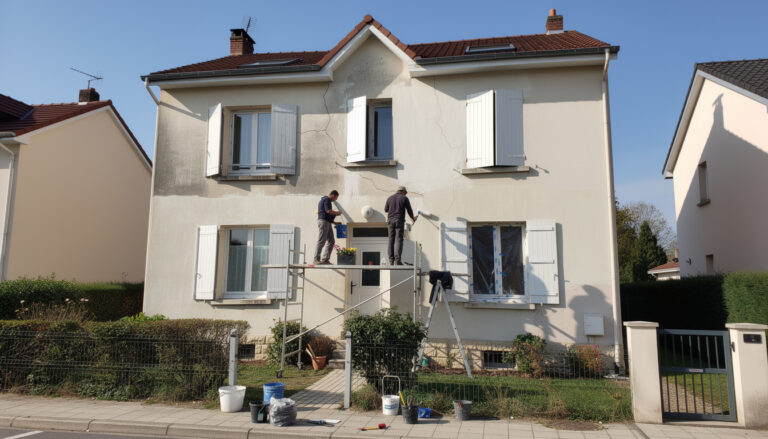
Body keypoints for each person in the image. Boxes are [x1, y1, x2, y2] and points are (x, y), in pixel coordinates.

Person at [384, 186, 417, 265]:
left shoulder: (389, 198)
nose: (405, 194)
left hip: (390, 220)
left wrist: (393, 207)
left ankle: (391, 261)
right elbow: (409, 209)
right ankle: (397, 260)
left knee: (391, 240)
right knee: (399, 239)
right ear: (402, 191)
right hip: (399, 220)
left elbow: (386, 209)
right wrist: (413, 218)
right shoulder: (404, 198)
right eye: (405, 193)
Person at [314, 190, 341, 265]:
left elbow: (328, 215)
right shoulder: (327, 199)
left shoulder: (326, 200)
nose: (335, 200)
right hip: (323, 222)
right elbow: (328, 211)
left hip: (327, 222)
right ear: (333, 195)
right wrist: (337, 213)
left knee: (331, 241)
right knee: (321, 240)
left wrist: (335, 222)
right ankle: (316, 259)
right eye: (336, 198)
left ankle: (325, 259)